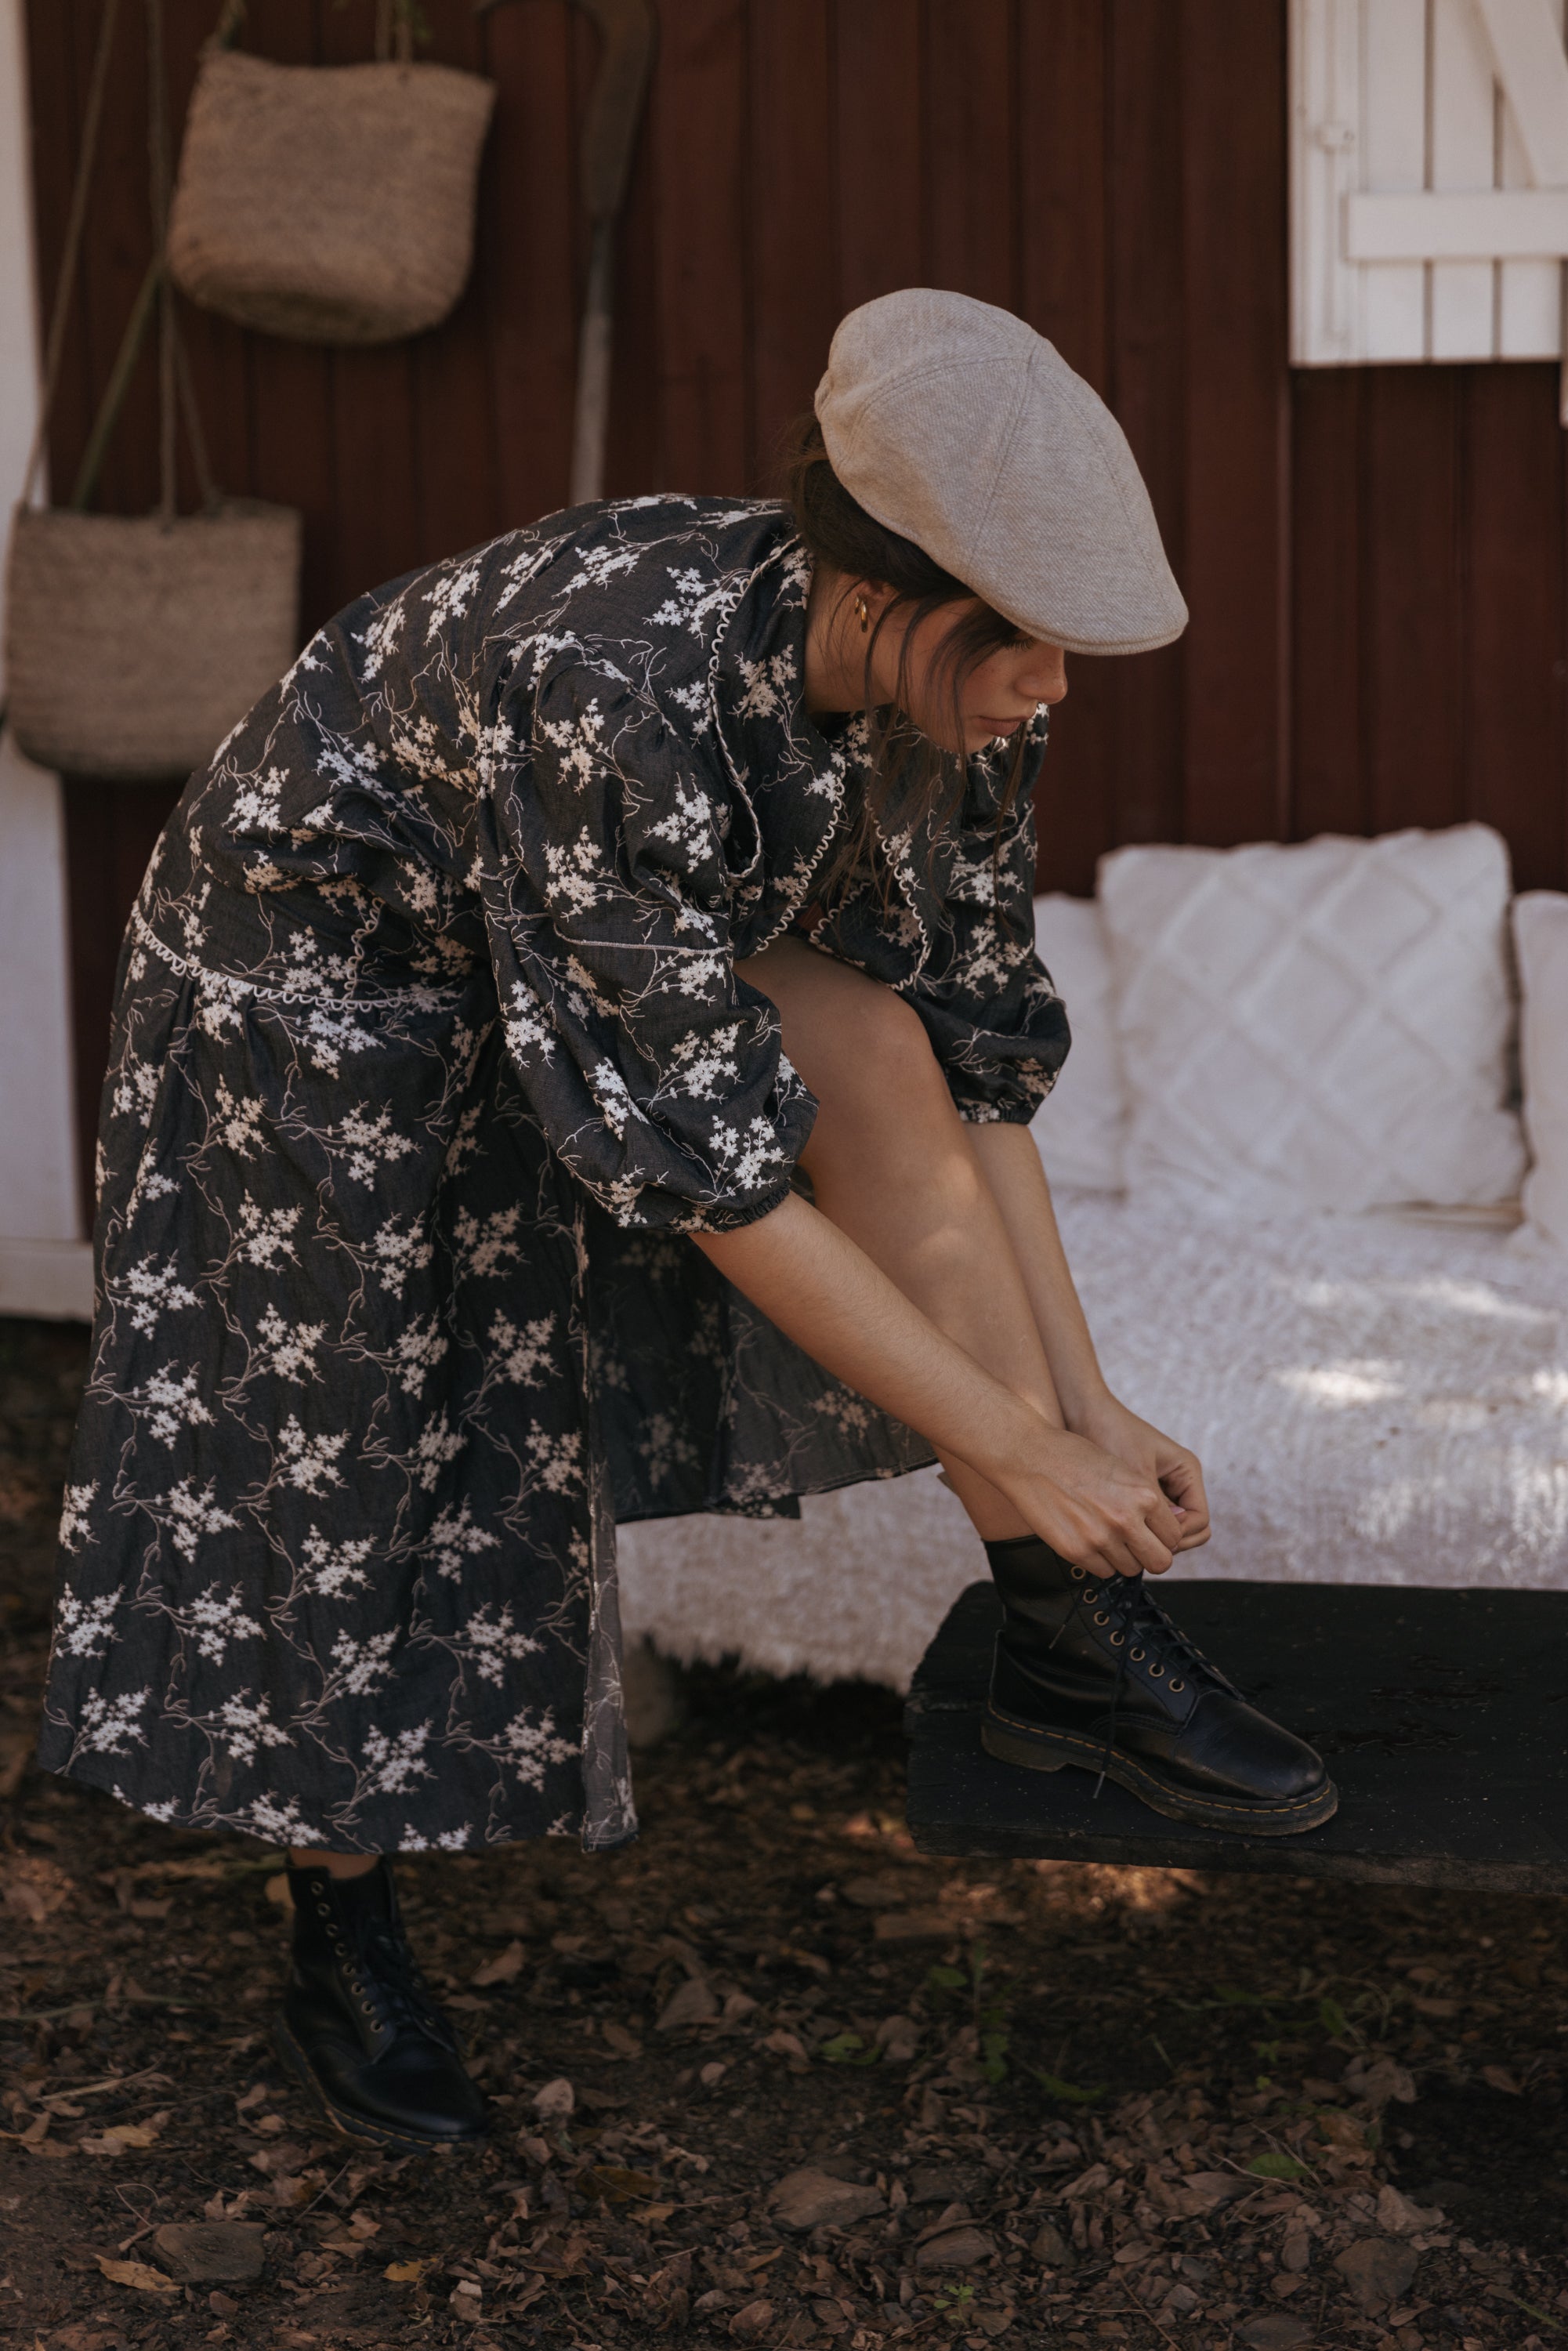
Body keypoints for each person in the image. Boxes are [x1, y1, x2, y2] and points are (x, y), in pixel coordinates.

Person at [39, 289, 1334, 2154]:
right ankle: (339, 1918)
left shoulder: (959, 702)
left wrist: (1081, 1411)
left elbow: (975, 1059)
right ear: (881, 595)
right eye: (1028, 642)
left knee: (879, 1043)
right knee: (351, 1462)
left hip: (549, 934)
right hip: (313, 990)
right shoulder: (615, 686)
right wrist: (1014, 1440)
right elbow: (713, 1177)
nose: (1053, 686)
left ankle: (1064, 1634)